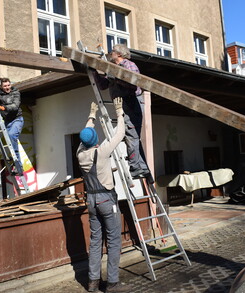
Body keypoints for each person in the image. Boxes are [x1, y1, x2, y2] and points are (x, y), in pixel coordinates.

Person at [77, 98, 131, 293]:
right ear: (96, 140)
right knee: (114, 240)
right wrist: (119, 112)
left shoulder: (80, 154)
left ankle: (92, 283)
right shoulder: (102, 152)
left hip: (90, 200)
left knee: (95, 241)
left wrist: (91, 115)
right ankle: (112, 284)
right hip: (107, 200)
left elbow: (85, 134)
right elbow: (120, 133)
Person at [94, 43, 150, 179]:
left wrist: (116, 78)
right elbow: (103, 85)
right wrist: (94, 72)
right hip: (123, 103)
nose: (110, 53)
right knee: (133, 135)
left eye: (112, 51)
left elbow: (133, 84)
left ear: (119, 54)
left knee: (132, 135)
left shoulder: (128, 65)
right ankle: (140, 166)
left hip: (132, 102)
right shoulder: (114, 69)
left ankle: (135, 167)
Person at [0, 78, 24, 175]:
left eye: (8, 85)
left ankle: (19, 167)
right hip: (7, 121)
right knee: (9, 141)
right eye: (5, 86)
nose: (7, 88)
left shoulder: (16, 93)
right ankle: (14, 162)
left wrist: (2, 107)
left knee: (12, 136)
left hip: (17, 119)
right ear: (2, 86)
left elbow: (15, 106)